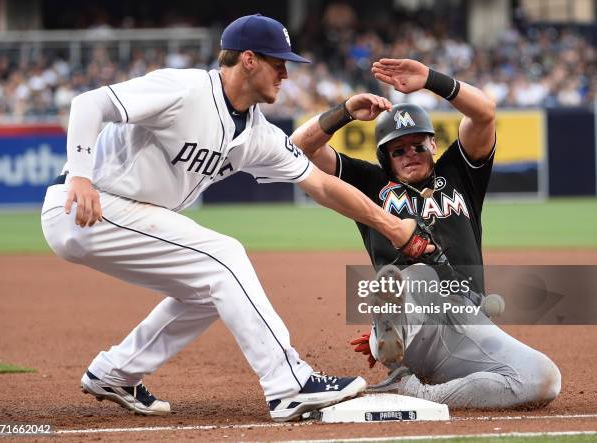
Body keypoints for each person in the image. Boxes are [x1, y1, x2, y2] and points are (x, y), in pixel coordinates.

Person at [40, 15, 426, 422]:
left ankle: (116, 373)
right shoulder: (185, 89)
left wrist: (390, 225)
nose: (285, 73)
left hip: (128, 212)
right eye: (277, 62)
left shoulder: (258, 133)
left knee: (211, 289)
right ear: (247, 60)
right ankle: (288, 385)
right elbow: (89, 103)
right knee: (225, 256)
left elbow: (323, 186)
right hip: (89, 204)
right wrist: (81, 176)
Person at [291, 58, 561, 409]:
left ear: (433, 145)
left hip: (467, 323)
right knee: (416, 275)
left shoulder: (461, 173)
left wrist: (431, 81)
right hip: (411, 313)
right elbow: (296, 150)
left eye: (418, 145)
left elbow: (484, 113)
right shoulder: (371, 183)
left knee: (544, 380)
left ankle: (421, 392)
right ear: (385, 157)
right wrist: (344, 111)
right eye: (398, 149)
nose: (410, 154)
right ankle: (391, 327)